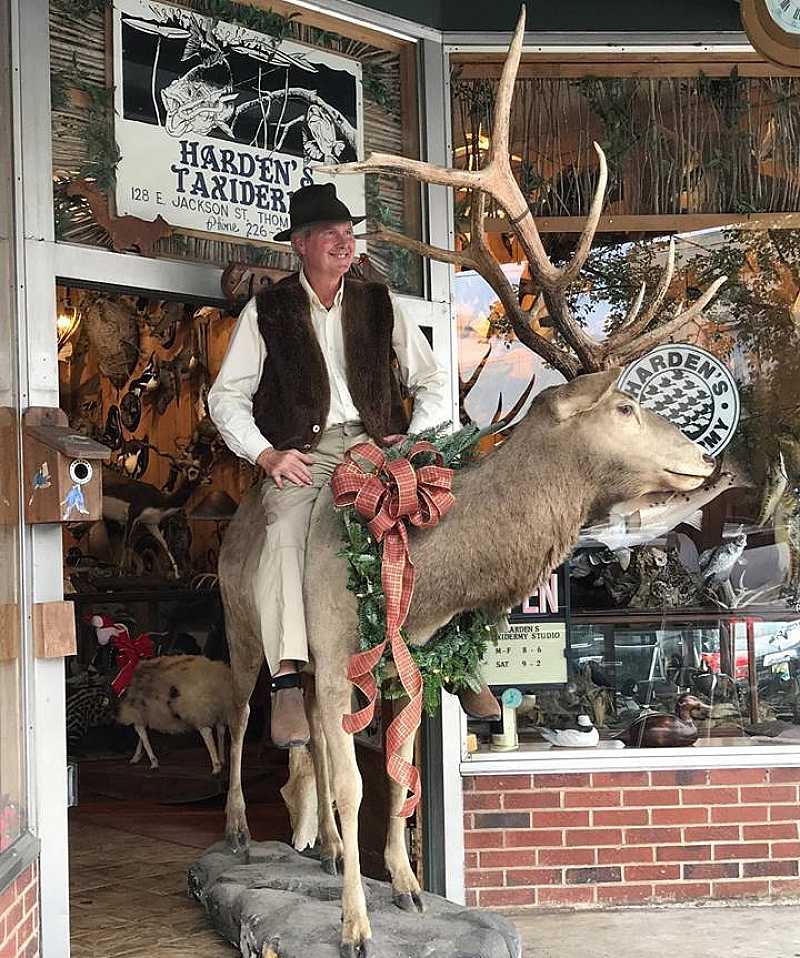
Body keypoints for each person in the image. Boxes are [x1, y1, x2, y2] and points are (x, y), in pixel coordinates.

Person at [209, 182, 500, 748]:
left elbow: (432, 381)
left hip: (380, 447)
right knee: (285, 534)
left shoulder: (377, 300)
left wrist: (412, 442)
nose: (345, 244)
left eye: (348, 233)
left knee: (436, 522)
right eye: (330, 235)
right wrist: (266, 454)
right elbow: (226, 398)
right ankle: (289, 678)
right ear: (299, 244)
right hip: (308, 456)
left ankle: (460, 662)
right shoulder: (266, 311)